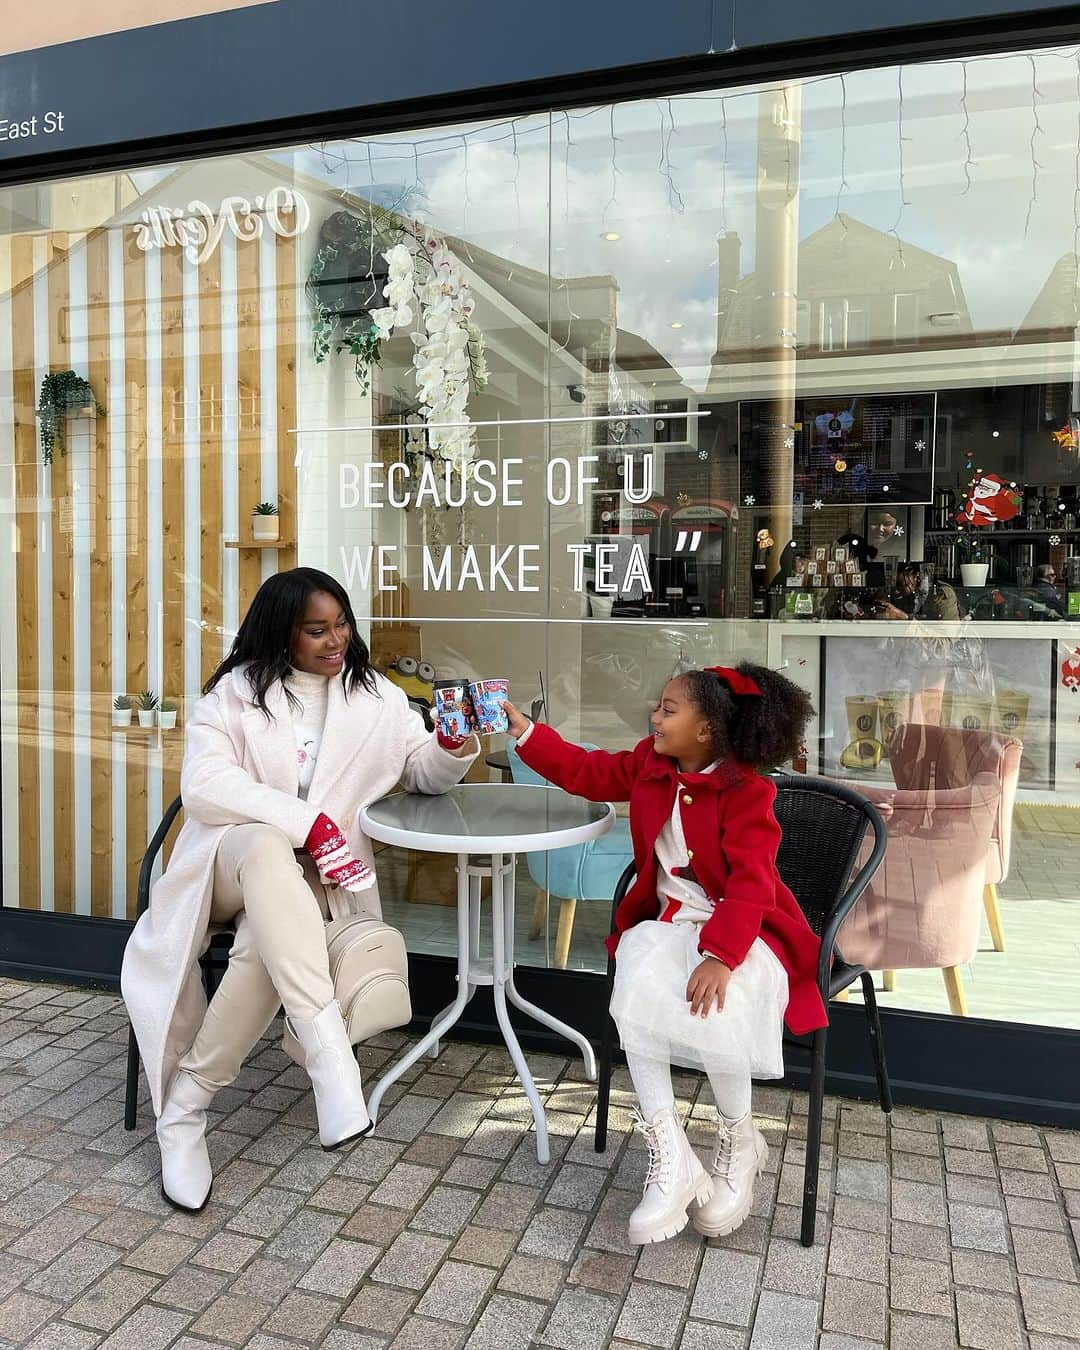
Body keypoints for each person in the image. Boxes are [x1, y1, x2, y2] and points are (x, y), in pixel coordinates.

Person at [122, 568, 478, 1213]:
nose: (336, 639)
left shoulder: (375, 697)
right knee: (263, 846)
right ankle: (328, 1055)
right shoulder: (235, 694)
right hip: (226, 865)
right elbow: (203, 786)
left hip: (316, 882)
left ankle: (187, 1107)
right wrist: (308, 824)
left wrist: (452, 746)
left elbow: (422, 772)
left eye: (341, 623)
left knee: (268, 936)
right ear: (281, 633)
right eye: (317, 630)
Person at [502, 664, 823, 1244]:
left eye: (669, 710)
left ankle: (739, 1139)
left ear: (707, 730)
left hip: (744, 932)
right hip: (671, 926)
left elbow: (752, 884)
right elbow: (584, 769)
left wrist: (722, 956)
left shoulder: (749, 792)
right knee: (637, 968)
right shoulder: (650, 767)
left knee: (719, 1004)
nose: (654, 716)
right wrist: (526, 729)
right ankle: (670, 1152)